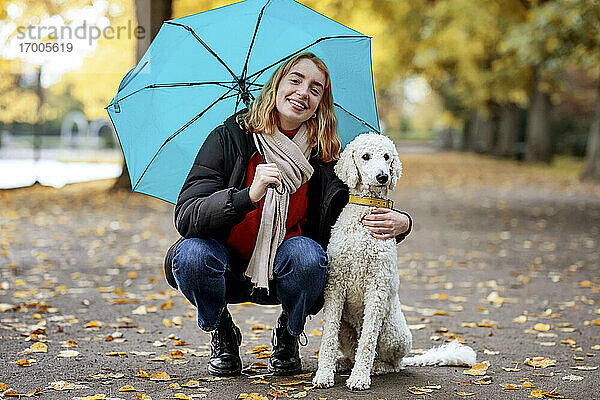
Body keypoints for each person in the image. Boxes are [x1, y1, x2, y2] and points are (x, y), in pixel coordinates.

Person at [163, 52, 412, 377]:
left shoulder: (325, 155)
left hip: (289, 270)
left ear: (321, 102)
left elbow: (358, 205)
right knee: (190, 256)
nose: (302, 92)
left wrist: (403, 223)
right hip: (226, 264)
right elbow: (186, 216)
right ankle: (222, 330)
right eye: (295, 80)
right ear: (276, 85)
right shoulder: (229, 138)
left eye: (315, 88)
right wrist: (246, 196)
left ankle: (289, 331)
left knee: (311, 258)